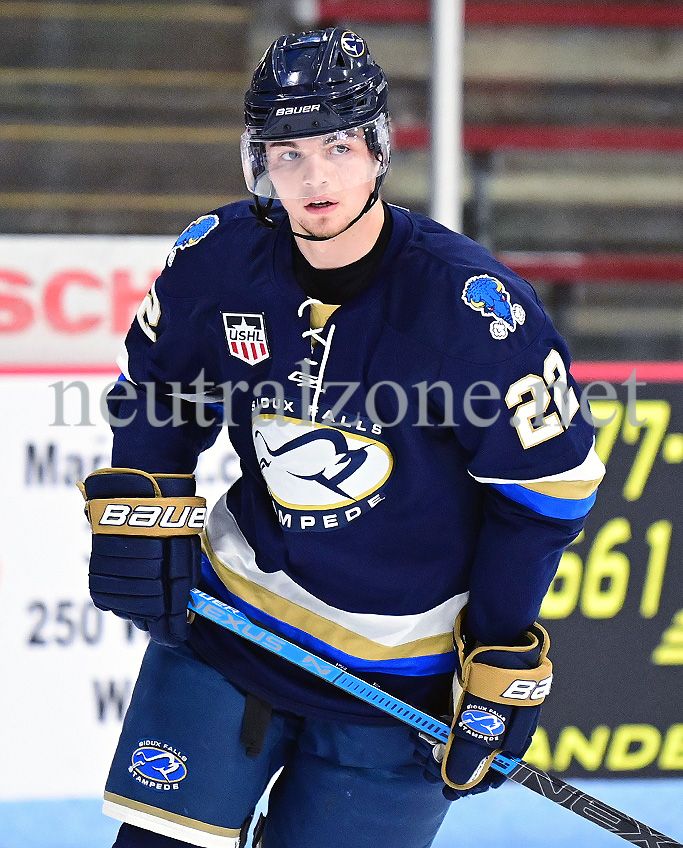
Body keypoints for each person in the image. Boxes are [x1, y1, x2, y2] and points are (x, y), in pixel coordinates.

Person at [80, 27, 605, 848]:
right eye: (287, 152)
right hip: (234, 626)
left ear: (378, 149)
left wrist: (499, 652)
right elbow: (161, 391)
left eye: (337, 147)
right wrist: (145, 505)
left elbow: (545, 495)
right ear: (258, 160)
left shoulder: (470, 310)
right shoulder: (218, 259)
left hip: (400, 679)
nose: (314, 177)